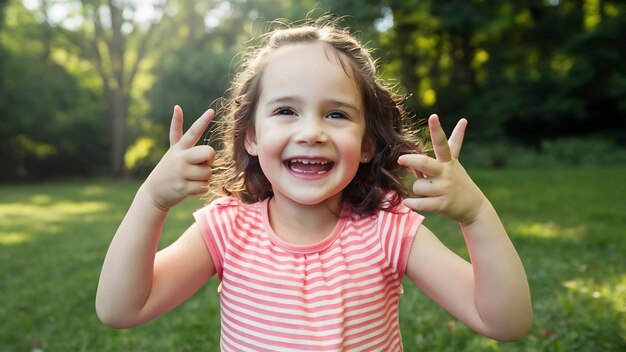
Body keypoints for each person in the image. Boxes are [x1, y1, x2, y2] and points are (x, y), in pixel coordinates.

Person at [96, 19, 532, 351]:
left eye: (337, 114)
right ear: (251, 135)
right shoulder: (227, 231)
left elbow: (505, 324)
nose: (311, 132)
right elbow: (120, 309)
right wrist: (151, 200)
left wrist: (476, 215)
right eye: (286, 110)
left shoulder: (388, 230)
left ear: (366, 143)